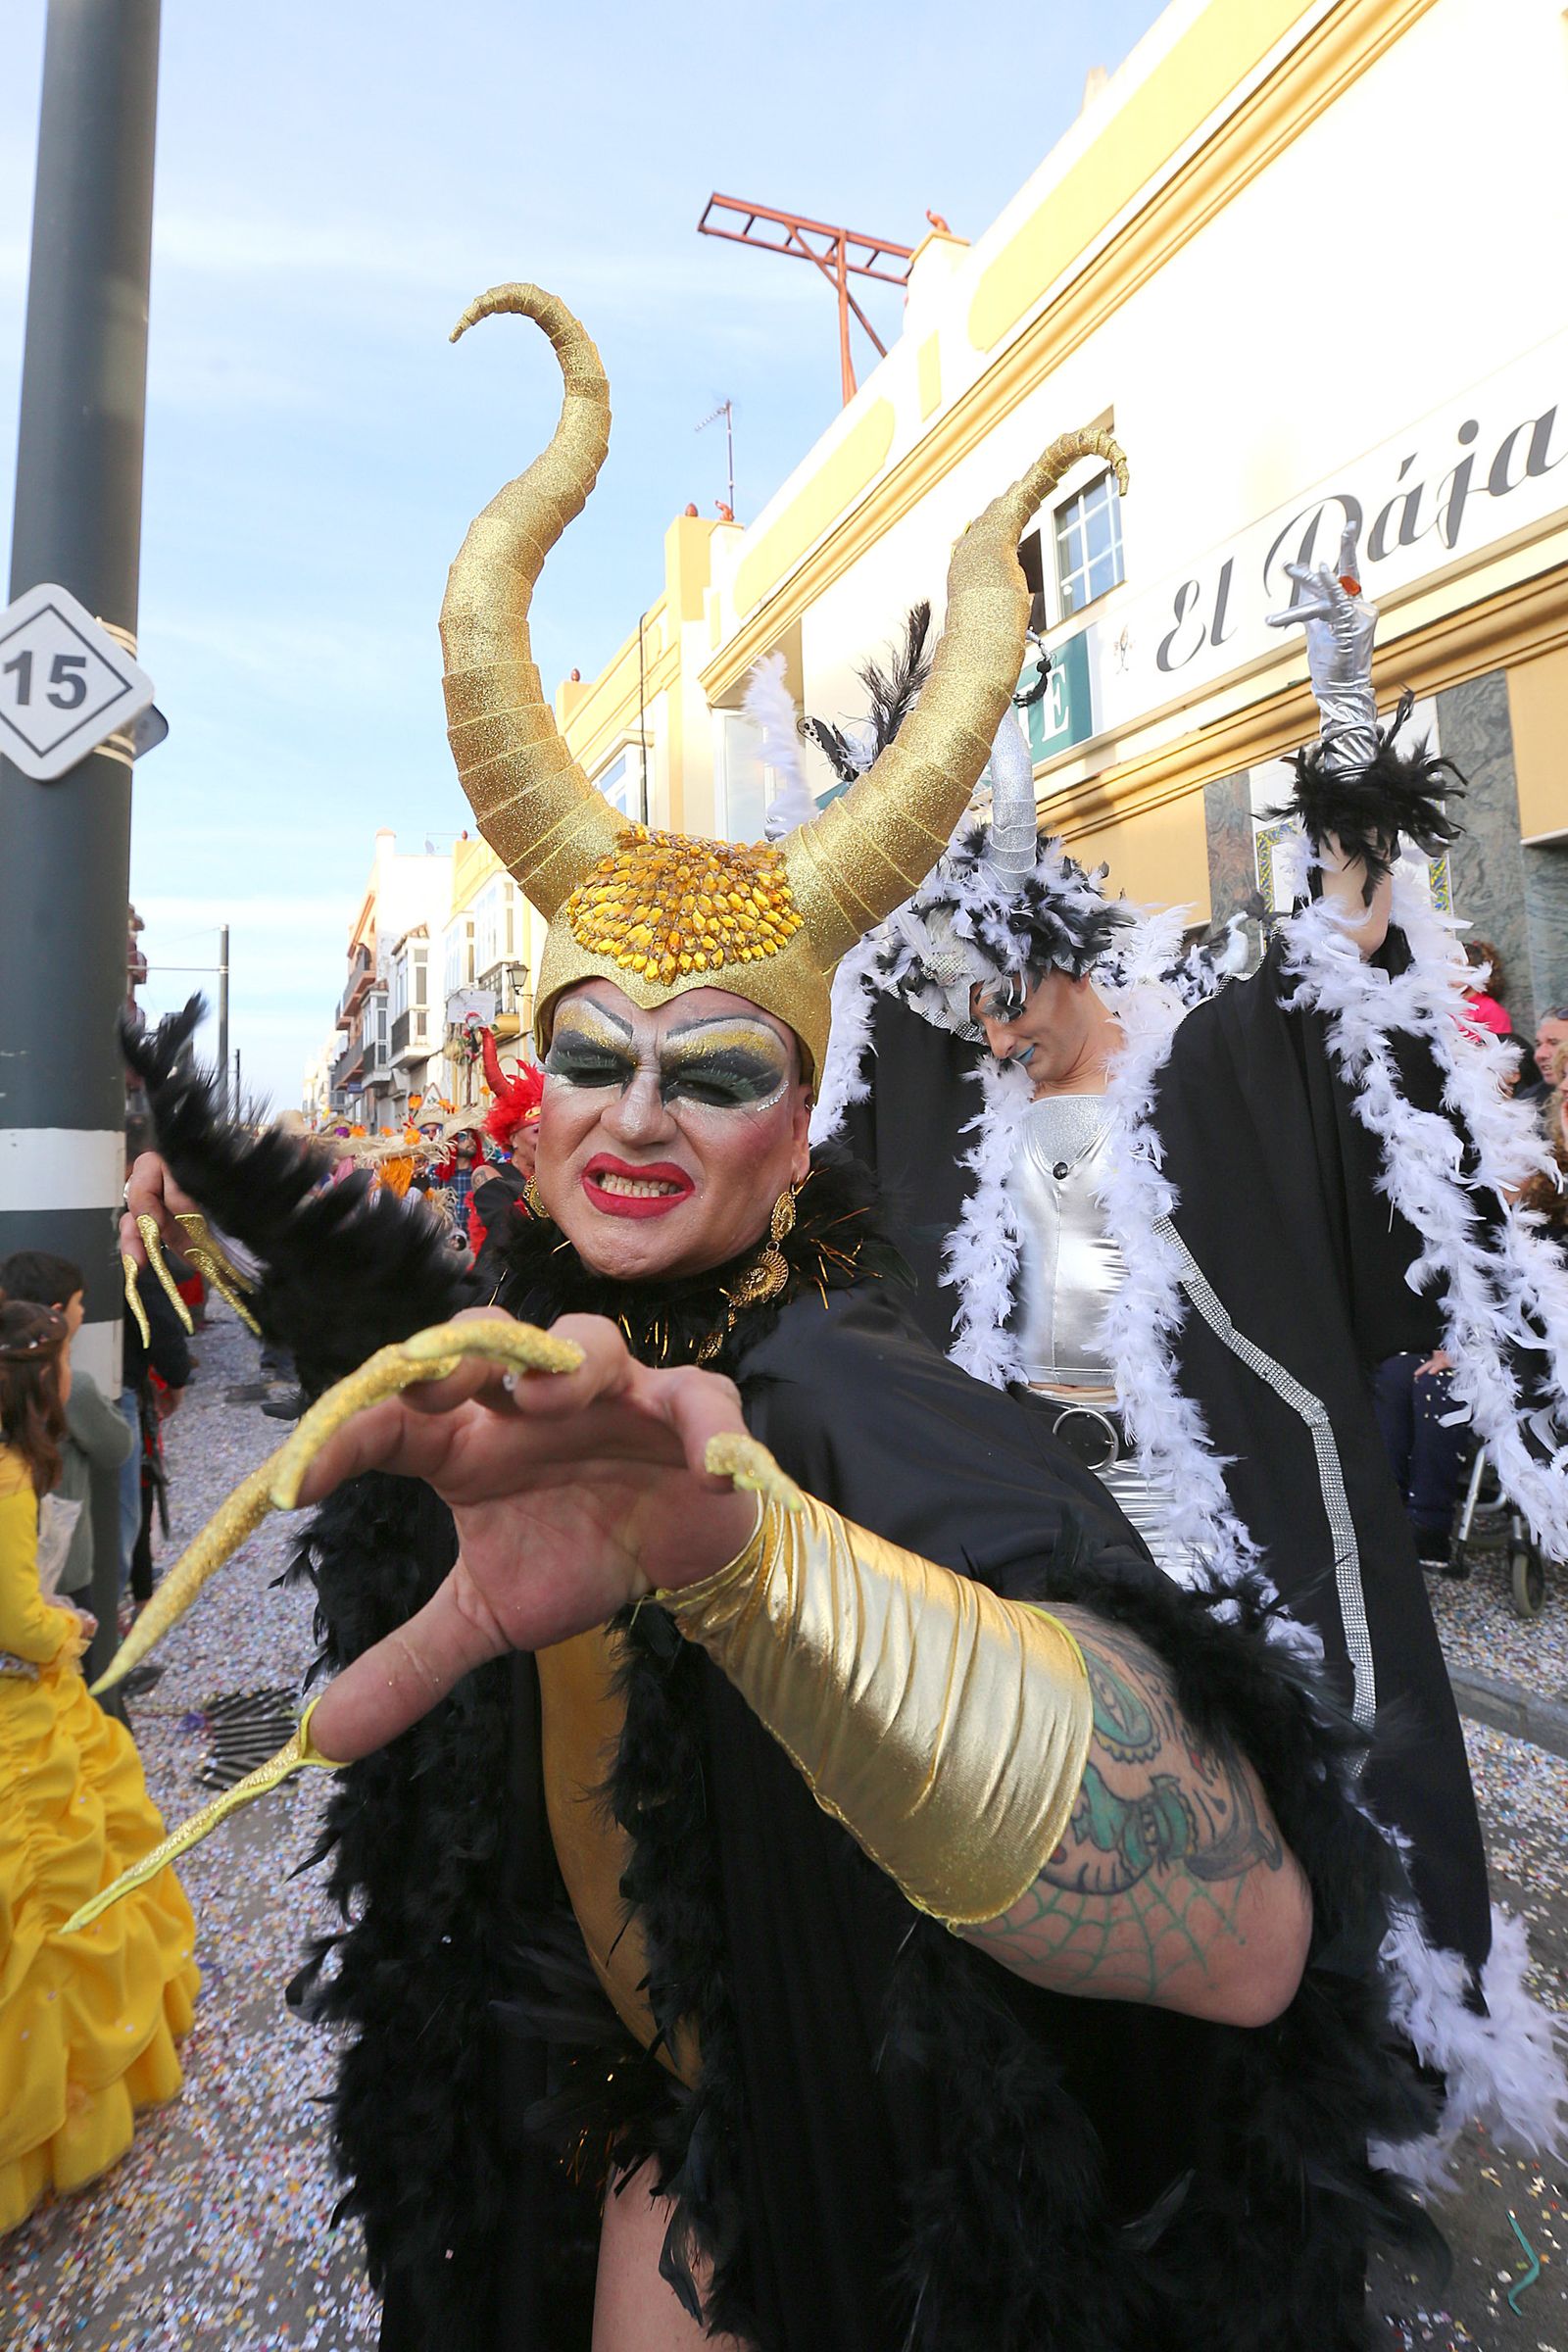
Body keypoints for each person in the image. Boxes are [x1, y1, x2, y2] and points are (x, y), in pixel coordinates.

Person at [102, 285, 1442, 2352]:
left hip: (812, 2175)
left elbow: (1250, 1927)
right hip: (570, 2120)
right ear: (532, 1094)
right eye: (594, 1053)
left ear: (798, 1126)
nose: (639, 1112)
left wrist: (752, 1567)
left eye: (715, 1068)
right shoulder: (489, 1372)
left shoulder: (832, 1382)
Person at [816, 528, 1568, 2165]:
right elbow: (846, 1040)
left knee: (1296, 1787)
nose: (990, 1028)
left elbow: (1346, 954)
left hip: (1227, 1511)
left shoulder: (1206, 1068)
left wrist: (1345, 703)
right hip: (1050, 1534)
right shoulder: (959, 1120)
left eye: (1005, 992)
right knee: (1101, 1830)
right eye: (962, 1005)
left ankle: (1336, 2082)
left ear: (1061, 952)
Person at [0, 1298, 200, 2233]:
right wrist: (66, 1627)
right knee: (55, 1887)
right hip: (21, 1716)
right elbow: (16, 1617)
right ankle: (69, 2104)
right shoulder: (10, 1478)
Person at [0, 1252, 135, 1613]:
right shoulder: (72, 1390)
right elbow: (118, 1447)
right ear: (58, 1312)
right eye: (80, 1303)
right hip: (63, 1568)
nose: (83, 1311)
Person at [467, 1028, 544, 1277]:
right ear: (512, 1139)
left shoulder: (557, 1177)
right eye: (537, 1131)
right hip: (502, 1279)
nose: (546, 1140)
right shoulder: (489, 1173)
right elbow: (505, 1222)